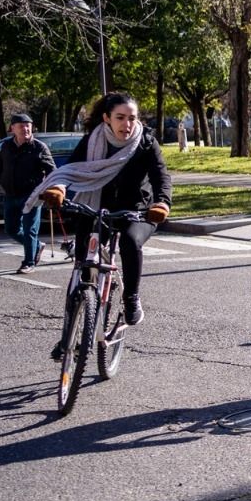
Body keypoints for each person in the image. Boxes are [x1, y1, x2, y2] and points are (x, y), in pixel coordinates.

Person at [30, 92, 172, 334]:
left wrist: (162, 204)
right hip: (98, 207)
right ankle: (69, 333)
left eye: (132, 118)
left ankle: (131, 298)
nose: (127, 124)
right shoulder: (93, 140)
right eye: (120, 117)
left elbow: (161, 177)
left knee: (129, 241)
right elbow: (71, 170)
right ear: (107, 118)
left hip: (138, 210)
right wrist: (58, 188)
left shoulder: (146, 142)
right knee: (83, 266)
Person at [0, 113, 55, 273]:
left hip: (32, 195)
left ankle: (29, 263)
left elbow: (52, 171)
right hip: (10, 194)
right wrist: (0, 179)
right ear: (12, 128)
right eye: (21, 126)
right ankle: (37, 246)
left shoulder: (39, 147)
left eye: (28, 126)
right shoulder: (7, 146)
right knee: (11, 229)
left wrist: (50, 189)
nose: (25, 129)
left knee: (29, 230)